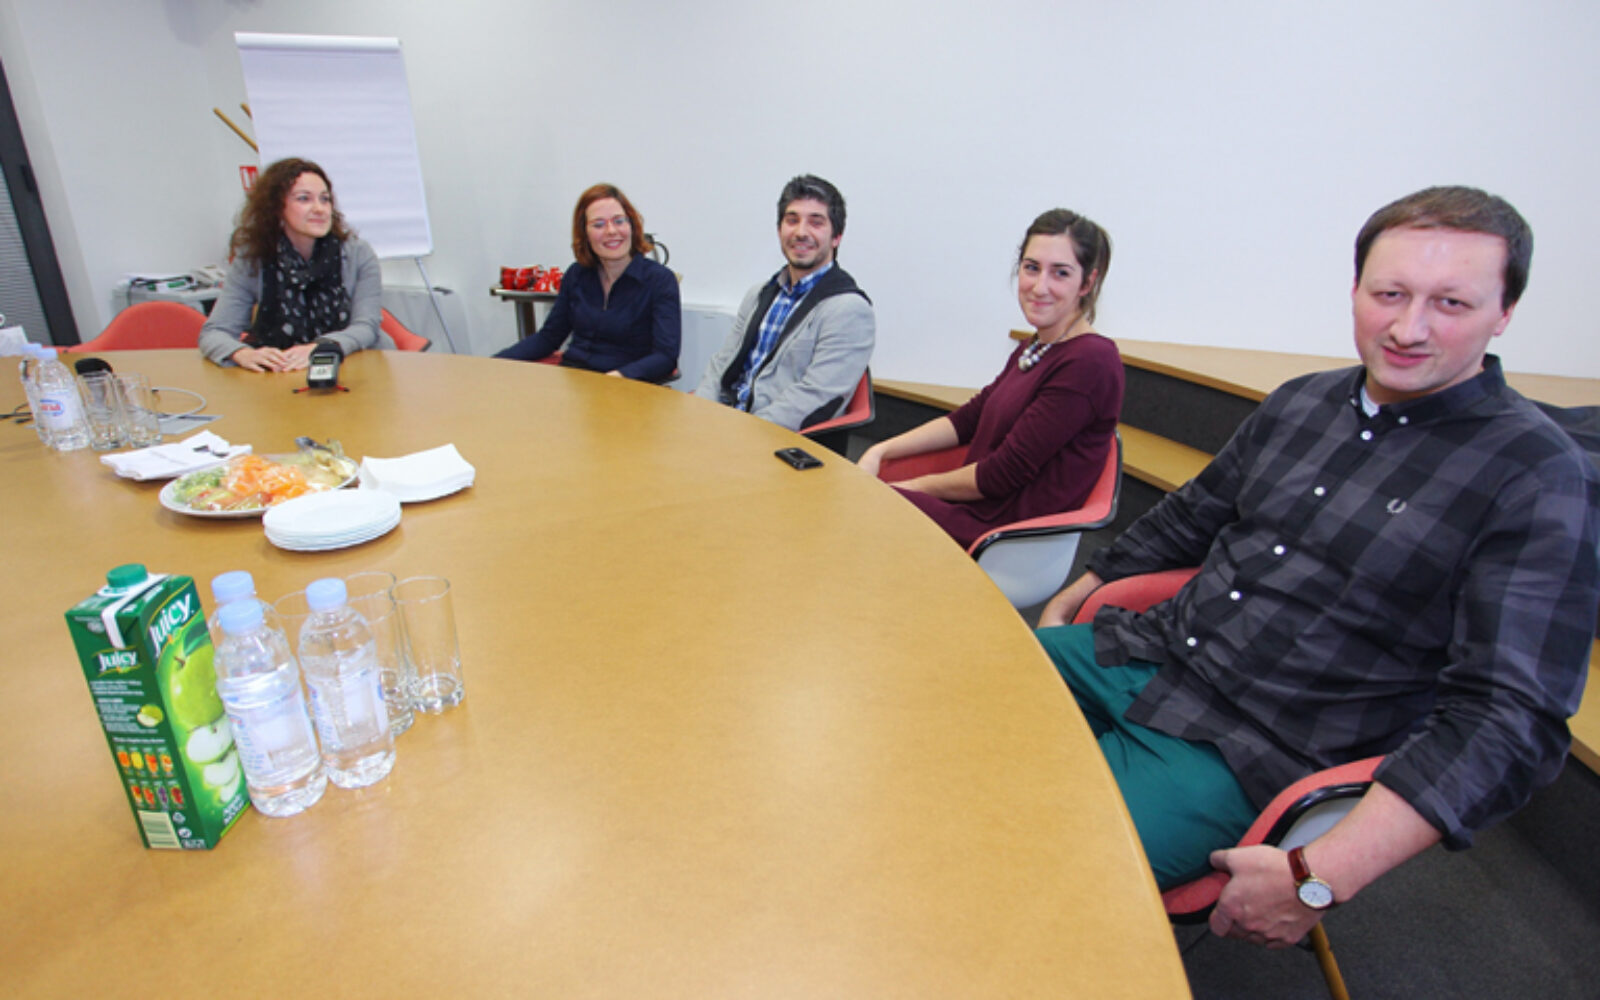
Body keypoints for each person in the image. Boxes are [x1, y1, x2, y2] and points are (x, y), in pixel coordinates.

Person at [1034, 186, 1599, 950]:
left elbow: (1510, 721)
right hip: (1143, 654)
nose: (1408, 328)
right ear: (1357, 289)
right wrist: (1075, 596)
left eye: (1451, 303)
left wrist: (1319, 874)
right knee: (940, 708)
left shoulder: (1535, 475)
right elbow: (1193, 515)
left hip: (1247, 747)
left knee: (1027, 858)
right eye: (1389, 294)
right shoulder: (1303, 403)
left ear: (1504, 313)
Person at [857, 210, 1122, 548]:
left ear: (1086, 283)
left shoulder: (1090, 361)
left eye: (1060, 273)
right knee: (852, 493)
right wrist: (880, 451)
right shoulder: (1037, 345)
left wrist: (911, 488)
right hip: (978, 509)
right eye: (1032, 268)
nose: (1040, 286)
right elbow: (969, 419)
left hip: (1001, 533)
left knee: (860, 506)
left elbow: (1003, 473)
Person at [694, 175, 874, 430]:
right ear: (779, 230)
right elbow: (720, 365)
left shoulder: (849, 310)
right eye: (792, 220)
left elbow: (816, 397)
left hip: (771, 439)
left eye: (816, 222)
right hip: (725, 424)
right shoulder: (758, 294)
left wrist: (740, 433)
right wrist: (699, 416)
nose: (801, 232)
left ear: (836, 237)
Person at [199, 158, 382, 371]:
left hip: (354, 365)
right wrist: (242, 353)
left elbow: (366, 327)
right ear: (276, 207)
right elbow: (215, 332)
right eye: (304, 199)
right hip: (282, 371)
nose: (320, 209)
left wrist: (320, 347)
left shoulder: (358, 254)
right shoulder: (253, 258)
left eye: (325, 199)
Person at [494, 184, 680, 381]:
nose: (611, 231)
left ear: (632, 225)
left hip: (625, 385)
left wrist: (616, 377)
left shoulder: (660, 280)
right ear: (585, 233)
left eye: (619, 221)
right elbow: (548, 337)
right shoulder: (577, 274)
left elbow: (665, 356)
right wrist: (493, 363)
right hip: (575, 381)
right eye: (598, 224)